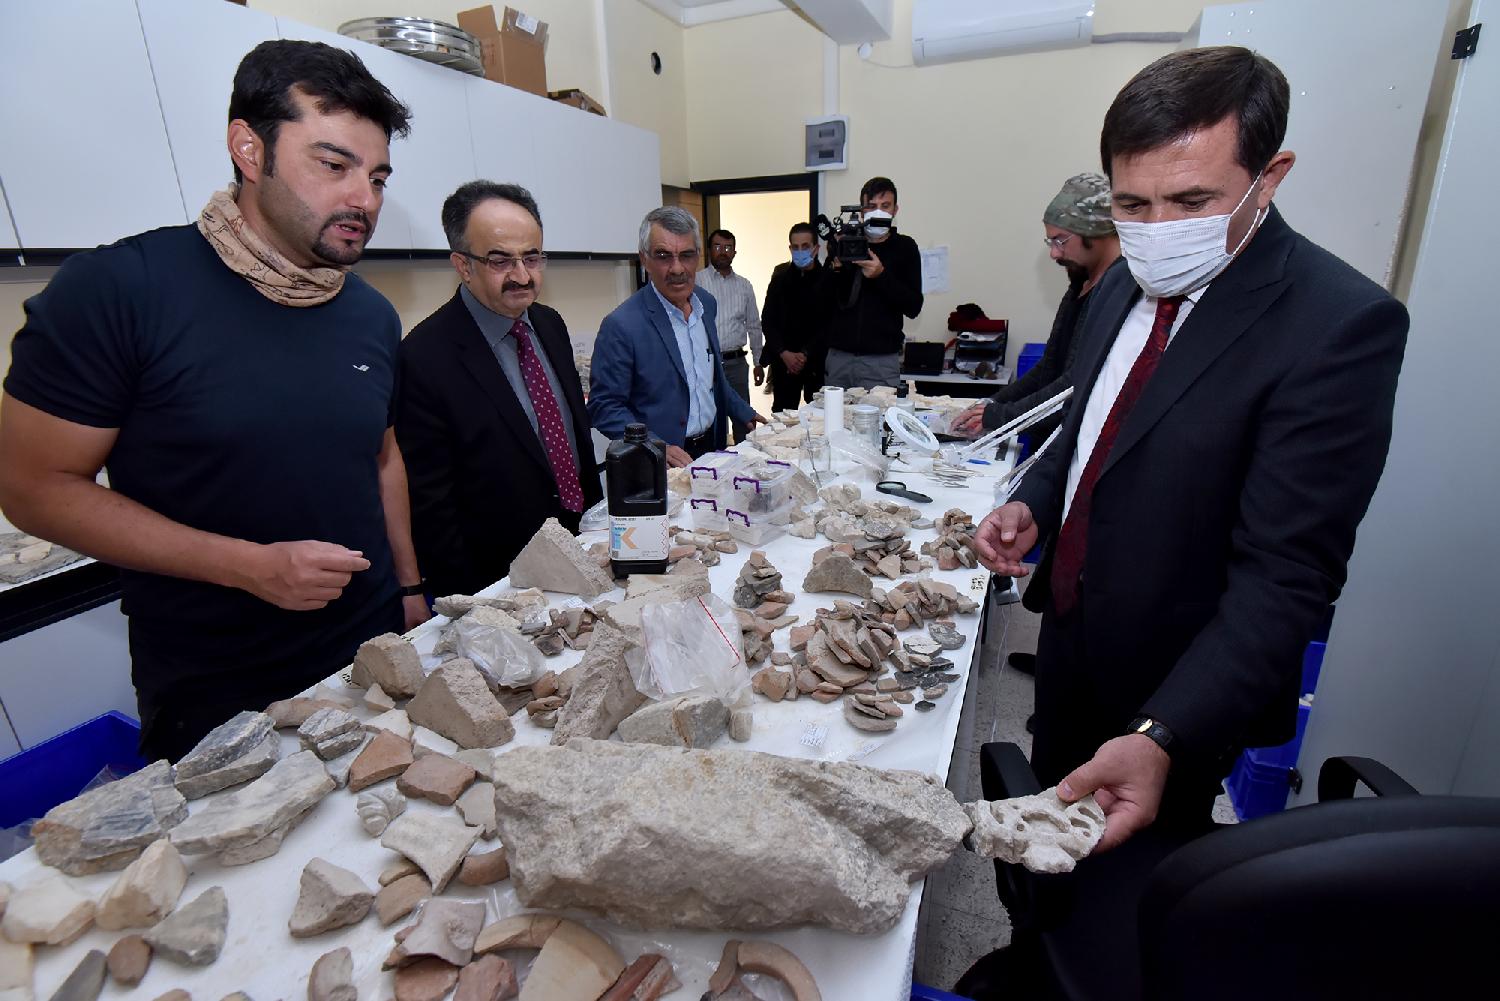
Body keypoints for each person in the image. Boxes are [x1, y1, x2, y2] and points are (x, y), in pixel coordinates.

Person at [973, 46, 1408, 853]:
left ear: (1268, 178)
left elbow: (1287, 576)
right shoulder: (1121, 282)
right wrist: (1033, 502)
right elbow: (1094, 430)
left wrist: (1164, 732)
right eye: (1132, 204)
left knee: (1130, 882)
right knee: (1050, 841)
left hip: (1176, 684)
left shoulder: (1337, 325)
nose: (1157, 231)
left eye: (1191, 200)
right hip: (1070, 634)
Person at [0, 40, 430, 761]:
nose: (364, 198)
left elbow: (382, 457)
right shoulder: (120, 291)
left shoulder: (370, 315)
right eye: (334, 165)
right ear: (249, 150)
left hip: (368, 650)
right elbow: (32, 488)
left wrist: (410, 587)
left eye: (377, 176)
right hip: (220, 686)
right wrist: (248, 566)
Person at [395, 182, 602, 598]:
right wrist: (469, 601)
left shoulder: (549, 324)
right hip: (501, 578)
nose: (522, 276)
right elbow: (432, 503)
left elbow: (571, 437)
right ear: (462, 265)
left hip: (583, 541)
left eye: (532, 257)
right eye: (500, 261)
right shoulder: (424, 356)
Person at [588, 207, 765, 467]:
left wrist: (744, 412)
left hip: (712, 448)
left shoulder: (706, 304)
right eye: (663, 256)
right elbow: (604, 406)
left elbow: (709, 379)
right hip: (660, 463)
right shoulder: (621, 325)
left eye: (686, 255)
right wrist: (653, 445)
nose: (677, 268)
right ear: (644, 259)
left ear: (698, 256)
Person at [953, 174, 1122, 441]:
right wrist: (991, 404)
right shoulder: (1081, 282)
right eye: (1050, 242)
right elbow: (1049, 367)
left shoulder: (1120, 290)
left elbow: (1075, 384)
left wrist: (1000, 416)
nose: (1054, 253)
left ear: (1094, 231)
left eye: (1060, 240)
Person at [822, 176, 923, 390]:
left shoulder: (905, 247)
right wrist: (835, 265)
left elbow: (914, 306)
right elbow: (820, 299)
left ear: (895, 210)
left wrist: (881, 275)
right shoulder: (845, 243)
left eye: (885, 206)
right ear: (861, 212)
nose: (878, 212)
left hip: (881, 361)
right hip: (839, 358)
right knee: (832, 412)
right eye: (871, 206)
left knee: (880, 412)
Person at [695, 229, 764, 442]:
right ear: (709, 250)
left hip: (736, 364)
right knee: (712, 421)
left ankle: (746, 458)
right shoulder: (696, 282)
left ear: (734, 252)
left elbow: (754, 325)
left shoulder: (744, 285)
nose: (723, 251)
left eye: (728, 247)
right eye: (717, 246)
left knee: (744, 420)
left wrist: (758, 362)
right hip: (707, 363)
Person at [759, 222, 830, 413]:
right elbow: (768, 321)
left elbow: (828, 325)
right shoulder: (779, 280)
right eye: (796, 247)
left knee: (820, 417)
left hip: (817, 363)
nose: (800, 251)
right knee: (783, 416)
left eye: (805, 246)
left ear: (816, 248)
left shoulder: (828, 280)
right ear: (790, 249)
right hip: (783, 362)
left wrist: (805, 355)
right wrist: (784, 353)